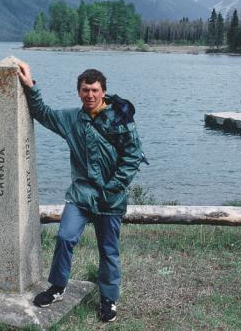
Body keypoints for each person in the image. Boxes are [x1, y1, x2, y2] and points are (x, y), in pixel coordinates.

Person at [15, 59, 145, 323]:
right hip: (81, 195)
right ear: (79, 92)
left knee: (108, 250)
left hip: (111, 198)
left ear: (103, 91)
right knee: (65, 236)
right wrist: (30, 85)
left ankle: (108, 299)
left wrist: (114, 186)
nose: (90, 95)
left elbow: (132, 156)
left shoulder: (120, 119)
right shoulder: (72, 119)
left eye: (95, 90)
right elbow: (43, 113)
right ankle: (57, 287)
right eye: (85, 90)